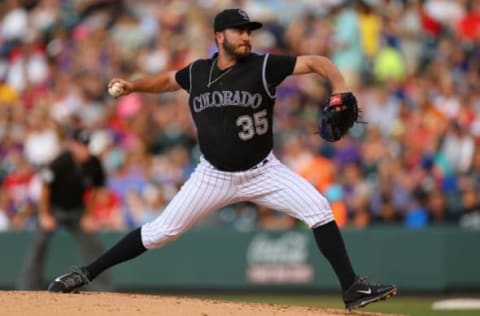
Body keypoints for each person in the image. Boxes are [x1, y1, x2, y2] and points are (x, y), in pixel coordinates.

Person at [47, 9, 396, 310]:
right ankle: (86, 273)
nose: (247, 37)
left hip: (264, 171)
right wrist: (135, 86)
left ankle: (352, 289)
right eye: (240, 31)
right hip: (212, 175)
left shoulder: (264, 66)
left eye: (249, 31)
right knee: (158, 233)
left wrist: (339, 88)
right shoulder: (198, 72)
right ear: (220, 36)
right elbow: (169, 81)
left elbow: (316, 62)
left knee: (319, 209)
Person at [18, 128, 111, 291]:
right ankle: (27, 286)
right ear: (72, 145)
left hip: (77, 210)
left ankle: (103, 288)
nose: (83, 149)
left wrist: (89, 215)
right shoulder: (61, 161)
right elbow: (45, 188)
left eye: (86, 145)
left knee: (94, 244)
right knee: (39, 244)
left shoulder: (94, 164)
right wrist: (45, 215)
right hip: (55, 208)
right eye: (80, 145)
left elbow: (95, 191)